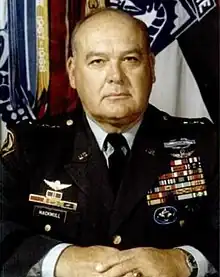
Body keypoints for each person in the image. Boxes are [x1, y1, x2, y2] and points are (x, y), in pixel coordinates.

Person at [0, 7, 218, 277]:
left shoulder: (205, 143)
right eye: (98, 62)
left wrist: (186, 261)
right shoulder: (31, 145)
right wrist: (59, 259)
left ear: (151, 67)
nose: (116, 76)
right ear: (72, 72)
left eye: (130, 59)